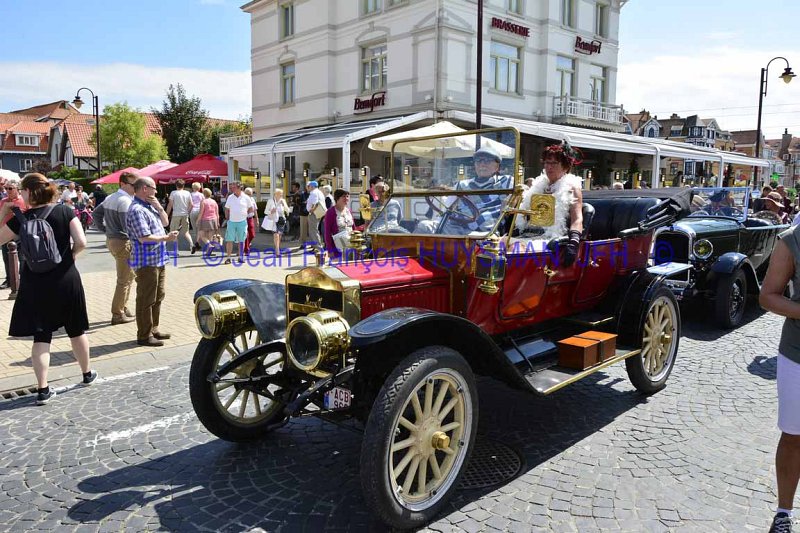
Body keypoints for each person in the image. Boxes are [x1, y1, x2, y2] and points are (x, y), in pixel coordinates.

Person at [0, 173, 97, 405]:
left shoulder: (20, 219)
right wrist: (69, 257)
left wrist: (3, 214)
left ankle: (43, 389)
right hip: (66, 278)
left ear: (30, 192)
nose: (20, 193)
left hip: (35, 281)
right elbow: (82, 242)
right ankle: (86, 374)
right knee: (76, 330)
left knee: (41, 336)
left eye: (22, 190)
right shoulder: (64, 211)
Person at [760, 223, 800, 533]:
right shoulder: (793, 239)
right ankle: (784, 513)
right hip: (798, 355)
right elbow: (768, 296)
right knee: (794, 436)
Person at [126, 176, 178, 347]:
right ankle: (144, 335)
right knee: (146, 299)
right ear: (144, 189)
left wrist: (158, 206)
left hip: (157, 259)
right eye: (154, 188)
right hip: (146, 261)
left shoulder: (149, 206)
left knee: (158, 296)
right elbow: (144, 238)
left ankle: (153, 329)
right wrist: (166, 238)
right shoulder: (136, 210)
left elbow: (165, 221)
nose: (156, 191)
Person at [517, 142, 584, 265]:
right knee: (495, 245)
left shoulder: (572, 187)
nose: (549, 167)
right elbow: (525, 214)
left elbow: (577, 219)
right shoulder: (537, 186)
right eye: (547, 162)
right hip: (528, 234)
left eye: (554, 163)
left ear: (565, 167)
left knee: (516, 251)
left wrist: (574, 241)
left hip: (551, 238)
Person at [93, 171, 136, 325]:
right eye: (133, 185)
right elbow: (128, 226)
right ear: (123, 184)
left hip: (113, 240)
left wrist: (105, 230)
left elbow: (96, 214)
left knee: (129, 276)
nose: (135, 188)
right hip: (122, 242)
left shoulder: (111, 197)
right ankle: (117, 314)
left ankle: (123, 307)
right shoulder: (124, 200)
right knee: (124, 279)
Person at [0, 178, 25, 290]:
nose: (7, 190)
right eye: (6, 188)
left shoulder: (22, 201)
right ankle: (9, 280)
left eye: (10, 188)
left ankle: (22, 280)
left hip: (19, 234)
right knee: (6, 257)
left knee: (22, 258)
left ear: (17, 189)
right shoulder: (3, 201)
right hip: (5, 232)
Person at [224, 181, 252, 264]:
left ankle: (240, 257)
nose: (232, 189)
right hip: (232, 221)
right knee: (229, 240)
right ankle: (228, 257)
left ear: (240, 188)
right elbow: (227, 208)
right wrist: (227, 218)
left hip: (242, 222)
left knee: (241, 240)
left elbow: (250, 208)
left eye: (234, 187)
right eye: (232, 188)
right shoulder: (230, 197)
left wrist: (246, 214)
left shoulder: (246, 197)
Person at [324, 189, 355, 260]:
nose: (346, 198)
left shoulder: (348, 211)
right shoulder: (330, 212)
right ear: (337, 198)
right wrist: (330, 250)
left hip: (350, 245)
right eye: (344, 196)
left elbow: (353, 227)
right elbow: (327, 232)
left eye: (347, 196)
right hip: (337, 247)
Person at [166, 179, 194, 253]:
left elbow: (170, 205)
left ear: (176, 185)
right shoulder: (187, 193)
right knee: (186, 232)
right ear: (183, 185)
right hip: (185, 214)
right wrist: (188, 212)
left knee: (174, 233)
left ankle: (176, 250)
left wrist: (167, 214)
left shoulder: (173, 193)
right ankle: (191, 244)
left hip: (176, 214)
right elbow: (191, 205)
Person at [196, 188, 221, 253]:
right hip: (213, 220)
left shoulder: (203, 201)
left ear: (204, 194)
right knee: (210, 236)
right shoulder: (214, 201)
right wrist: (218, 222)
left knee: (202, 235)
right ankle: (208, 251)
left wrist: (198, 220)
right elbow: (217, 213)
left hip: (205, 220)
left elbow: (201, 212)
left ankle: (209, 245)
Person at [306, 181, 325, 250]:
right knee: (315, 230)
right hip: (318, 213)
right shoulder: (319, 192)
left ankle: (318, 248)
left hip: (314, 214)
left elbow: (316, 203)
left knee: (313, 231)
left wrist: (312, 210)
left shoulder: (314, 193)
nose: (308, 188)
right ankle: (316, 247)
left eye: (309, 186)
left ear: (312, 186)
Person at [243, 187, 259, 255]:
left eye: (250, 194)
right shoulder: (242, 199)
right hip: (244, 218)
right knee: (246, 234)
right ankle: (246, 249)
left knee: (252, 234)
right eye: (248, 194)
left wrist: (257, 219)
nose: (249, 195)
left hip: (250, 218)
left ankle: (245, 246)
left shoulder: (252, 199)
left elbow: (255, 209)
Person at [189, 182, 204, 253]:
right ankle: (198, 242)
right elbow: (203, 203)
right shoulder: (201, 195)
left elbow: (189, 203)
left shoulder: (190, 194)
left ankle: (197, 242)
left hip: (192, 211)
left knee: (195, 227)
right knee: (200, 227)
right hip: (199, 211)